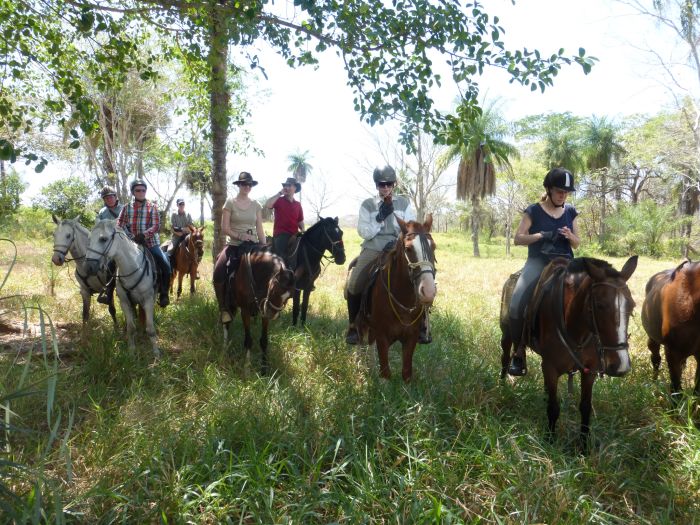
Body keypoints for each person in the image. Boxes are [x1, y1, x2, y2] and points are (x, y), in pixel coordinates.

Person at [507, 167, 581, 376]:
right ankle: (519, 351)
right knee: (516, 302)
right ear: (548, 189)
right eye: (559, 191)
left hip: (566, 262)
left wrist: (569, 236)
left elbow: (577, 244)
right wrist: (540, 235)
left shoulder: (571, 212)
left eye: (566, 192)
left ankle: (585, 350)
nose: (563, 195)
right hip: (538, 262)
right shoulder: (533, 210)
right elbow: (518, 238)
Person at [345, 165, 431, 345]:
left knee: (421, 274)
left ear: (394, 184)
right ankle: (353, 325)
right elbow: (364, 232)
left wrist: (402, 241)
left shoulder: (404, 203)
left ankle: (422, 324)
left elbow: (409, 228)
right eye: (381, 184)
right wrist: (379, 219)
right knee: (354, 283)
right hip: (374, 247)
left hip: (397, 246)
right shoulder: (368, 205)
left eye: (389, 184)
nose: (385, 187)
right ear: (376, 185)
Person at [213, 171, 266, 323]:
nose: (247, 187)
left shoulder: (256, 205)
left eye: (249, 184)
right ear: (239, 185)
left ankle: (262, 303)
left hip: (253, 245)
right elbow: (225, 228)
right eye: (244, 184)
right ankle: (224, 308)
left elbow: (260, 228)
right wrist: (240, 236)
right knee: (220, 269)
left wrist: (263, 245)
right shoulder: (230, 203)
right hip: (235, 245)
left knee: (267, 269)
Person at [116, 179, 171, 308]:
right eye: (138, 190)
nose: (141, 192)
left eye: (143, 190)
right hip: (130, 244)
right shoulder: (126, 208)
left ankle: (164, 293)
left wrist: (144, 235)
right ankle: (110, 291)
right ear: (133, 192)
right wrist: (131, 237)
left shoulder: (152, 207)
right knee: (112, 262)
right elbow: (120, 224)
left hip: (151, 243)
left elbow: (156, 225)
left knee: (165, 264)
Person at [265, 177, 305, 265]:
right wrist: (279, 193)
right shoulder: (279, 200)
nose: (286, 187)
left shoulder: (298, 205)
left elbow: (300, 221)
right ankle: (281, 273)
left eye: (289, 185)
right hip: (281, 234)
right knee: (282, 259)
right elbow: (268, 204)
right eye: (285, 185)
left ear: (295, 188)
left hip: (295, 234)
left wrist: (303, 231)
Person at [96, 186, 124, 304]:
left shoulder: (124, 208)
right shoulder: (102, 212)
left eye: (110, 197)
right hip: (109, 243)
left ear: (115, 197)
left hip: (124, 240)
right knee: (108, 264)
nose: (109, 199)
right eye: (106, 198)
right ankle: (108, 291)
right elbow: (98, 228)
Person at [169, 198, 194, 262]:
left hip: (187, 235)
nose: (182, 205)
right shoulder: (174, 215)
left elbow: (191, 227)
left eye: (183, 204)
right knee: (170, 250)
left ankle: (195, 264)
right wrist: (179, 233)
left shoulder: (188, 214)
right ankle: (170, 265)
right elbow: (172, 228)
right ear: (177, 205)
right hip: (176, 236)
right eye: (180, 204)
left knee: (196, 247)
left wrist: (181, 229)